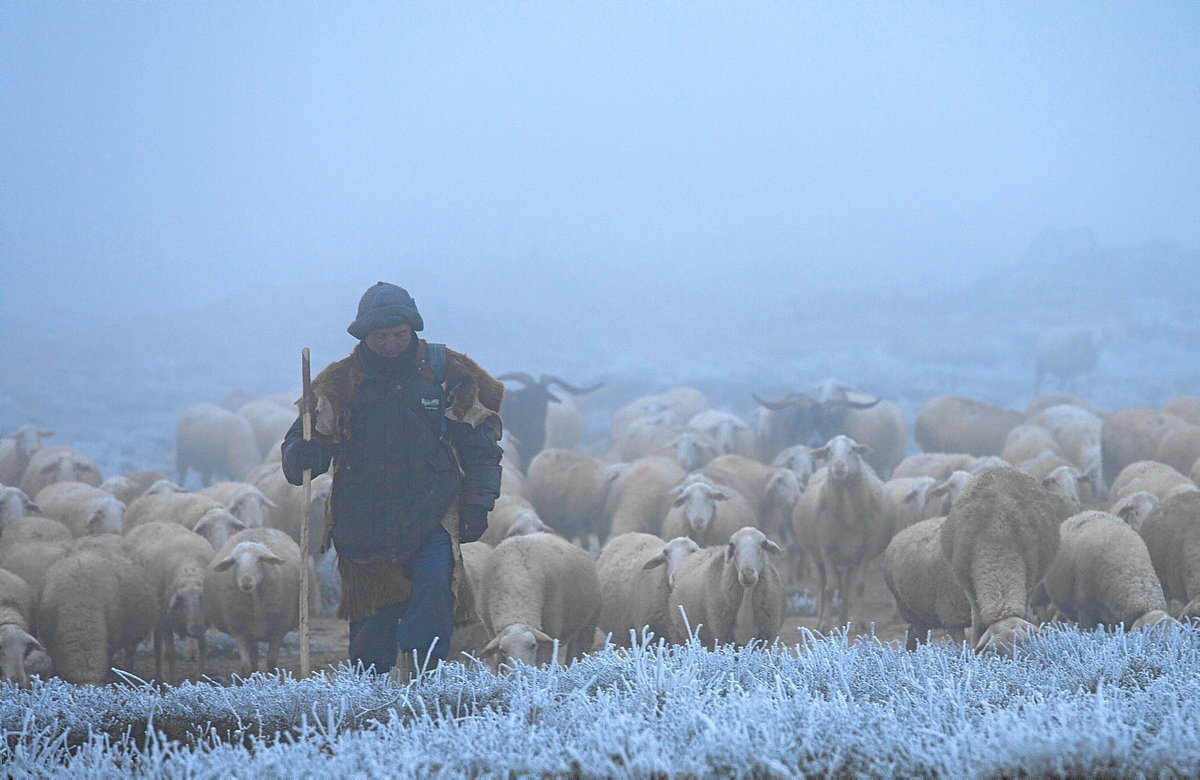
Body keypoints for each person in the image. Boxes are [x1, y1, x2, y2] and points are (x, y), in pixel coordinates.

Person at [281, 281, 504, 674]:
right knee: (373, 617)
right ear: (364, 335)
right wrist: (303, 452)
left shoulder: (447, 372)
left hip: (432, 511)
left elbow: (482, 446)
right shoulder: (339, 383)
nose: (390, 344)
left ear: (413, 330)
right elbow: (304, 444)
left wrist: (477, 503)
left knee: (435, 589)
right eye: (380, 336)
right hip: (363, 518)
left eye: (399, 335)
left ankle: (423, 684)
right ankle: (370, 698)